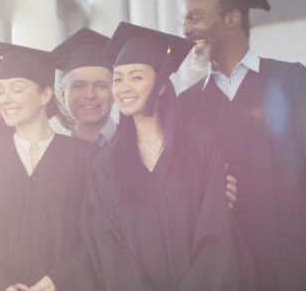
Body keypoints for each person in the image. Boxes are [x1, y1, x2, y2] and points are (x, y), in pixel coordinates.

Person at [178, 0, 306, 290]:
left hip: (295, 271)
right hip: (225, 273)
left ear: (232, 18)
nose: (185, 29)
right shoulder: (185, 105)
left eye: (195, 17)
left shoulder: (292, 81)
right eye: (184, 20)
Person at [80, 22, 254, 291]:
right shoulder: (105, 165)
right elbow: (106, 243)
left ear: (161, 86)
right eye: (118, 78)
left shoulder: (202, 146)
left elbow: (216, 234)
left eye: (136, 77)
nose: (124, 87)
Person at [0, 42, 99, 291]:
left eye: (16, 89)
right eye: (1, 90)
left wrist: (59, 280)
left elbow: (97, 233)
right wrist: (3, 285)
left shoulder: (86, 158)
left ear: (45, 95)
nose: (5, 99)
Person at [53, 28, 116, 147]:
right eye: (79, 86)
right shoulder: (55, 150)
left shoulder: (137, 146)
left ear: (114, 92)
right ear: (63, 93)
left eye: (101, 86)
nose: (90, 95)